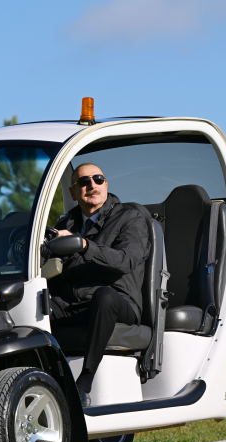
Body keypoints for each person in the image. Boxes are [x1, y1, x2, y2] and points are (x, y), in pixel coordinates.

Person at [48, 163, 150, 407]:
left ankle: (85, 381)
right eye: (83, 182)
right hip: (73, 302)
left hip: (118, 301)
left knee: (104, 297)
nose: (91, 185)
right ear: (73, 193)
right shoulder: (65, 224)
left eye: (98, 179)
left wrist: (83, 246)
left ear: (106, 184)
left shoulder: (130, 218)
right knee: (35, 305)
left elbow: (126, 261)